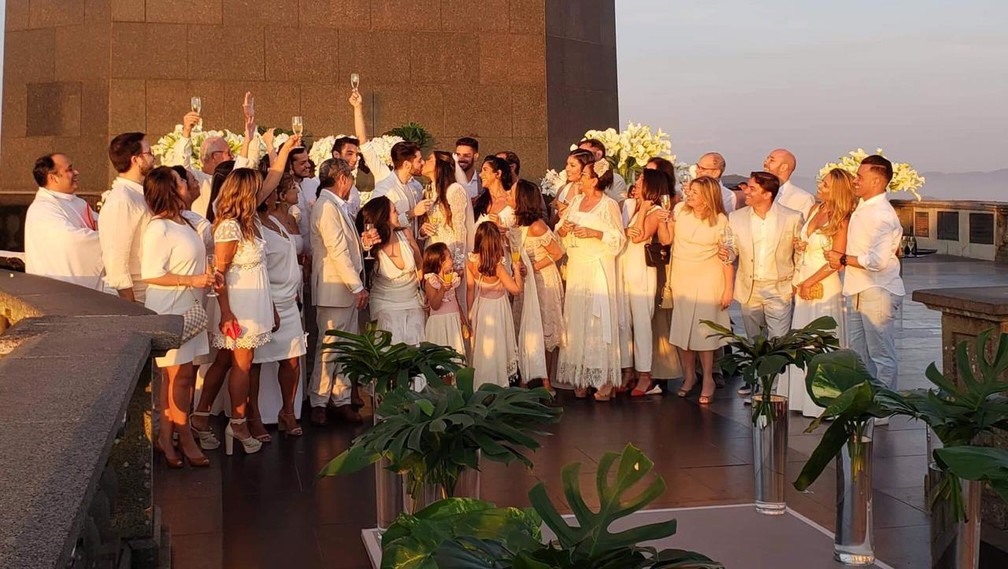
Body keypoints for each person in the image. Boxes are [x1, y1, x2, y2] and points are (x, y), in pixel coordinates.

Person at [139, 166, 215, 467]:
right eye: (181, 180)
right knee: (178, 376)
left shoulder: (183, 221)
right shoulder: (159, 228)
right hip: (172, 306)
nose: (187, 182)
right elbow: (151, 273)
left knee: (181, 376)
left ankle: (168, 435)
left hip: (190, 306)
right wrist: (191, 281)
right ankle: (181, 436)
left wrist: (205, 278)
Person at [826, 155, 905, 417]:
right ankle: (865, 402)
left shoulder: (882, 215)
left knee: (882, 353)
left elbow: (878, 261)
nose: (855, 180)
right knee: (859, 354)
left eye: (859, 177)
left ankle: (884, 407)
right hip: (858, 288)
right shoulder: (863, 207)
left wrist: (843, 259)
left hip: (878, 291)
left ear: (876, 180)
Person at [207, 168, 279, 456]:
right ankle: (237, 422)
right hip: (238, 305)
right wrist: (226, 313)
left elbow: (261, 269)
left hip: (257, 301)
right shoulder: (229, 227)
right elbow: (219, 273)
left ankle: (205, 418)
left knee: (235, 361)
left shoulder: (249, 223)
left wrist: (271, 306)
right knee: (242, 364)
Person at [720, 171, 802, 397]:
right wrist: (726, 253)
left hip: (779, 287)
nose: (746, 191)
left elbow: (800, 252)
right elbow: (731, 247)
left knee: (777, 341)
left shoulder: (792, 217)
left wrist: (795, 283)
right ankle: (756, 382)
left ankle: (774, 390)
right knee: (754, 341)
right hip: (749, 287)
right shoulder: (736, 218)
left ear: (767, 194)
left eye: (752, 188)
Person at [787, 168, 856, 417]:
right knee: (803, 339)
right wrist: (800, 245)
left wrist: (810, 282)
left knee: (821, 338)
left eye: (825, 184)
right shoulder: (816, 209)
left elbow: (836, 261)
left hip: (823, 283)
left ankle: (825, 399)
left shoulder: (842, 220)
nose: (820, 186)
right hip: (804, 276)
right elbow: (807, 242)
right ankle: (800, 396)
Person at [556, 158, 626, 401]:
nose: (580, 177)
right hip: (576, 264)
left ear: (595, 180)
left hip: (597, 265)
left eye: (584, 174)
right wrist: (564, 230)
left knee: (597, 320)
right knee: (577, 318)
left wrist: (595, 233)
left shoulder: (608, 205)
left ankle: (602, 380)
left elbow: (619, 238)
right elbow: (560, 229)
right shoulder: (575, 200)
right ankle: (580, 375)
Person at [308, 158, 371, 427]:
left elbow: (347, 246)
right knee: (330, 346)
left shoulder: (336, 206)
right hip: (335, 288)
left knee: (349, 346)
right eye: (351, 178)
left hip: (345, 287)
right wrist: (356, 286)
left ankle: (342, 397)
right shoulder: (326, 207)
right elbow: (336, 250)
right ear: (342, 178)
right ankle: (319, 401)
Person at [250, 179, 308, 437]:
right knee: (257, 362)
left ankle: (287, 411)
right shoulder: (254, 226)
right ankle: (254, 416)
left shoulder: (276, 220)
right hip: (268, 300)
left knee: (292, 359)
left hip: (289, 300)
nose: (274, 193)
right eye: (270, 190)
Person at [669, 177, 733, 404]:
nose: (690, 194)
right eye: (690, 191)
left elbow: (728, 257)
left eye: (695, 192)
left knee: (704, 332)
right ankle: (689, 376)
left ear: (708, 196)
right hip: (682, 276)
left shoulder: (720, 220)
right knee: (684, 330)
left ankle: (708, 378)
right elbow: (668, 239)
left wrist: (728, 289)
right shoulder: (680, 211)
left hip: (708, 278)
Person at [618, 169, 673, 396]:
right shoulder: (630, 206)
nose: (637, 183)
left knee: (641, 322)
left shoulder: (656, 211)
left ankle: (645, 374)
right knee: (624, 322)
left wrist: (644, 210)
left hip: (641, 269)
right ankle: (627, 369)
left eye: (641, 180)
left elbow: (638, 235)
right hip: (624, 265)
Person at [165, 92, 255, 218]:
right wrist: (186, 131)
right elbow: (181, 163)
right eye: (228, 153)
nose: (232, 157)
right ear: (214, 156)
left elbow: (241, 169)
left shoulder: (230, 178)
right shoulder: (195, 179)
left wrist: (249, 128)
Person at [514, 180, 565, 394]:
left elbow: (557, 252)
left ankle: (546, 381)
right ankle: (525, 376)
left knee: (545, 326)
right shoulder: (516, 225)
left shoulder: (537, 226)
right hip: (526, 281)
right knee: (525, 326)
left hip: (542, 280)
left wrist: (532, 266)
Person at [24, 154, 104, 290]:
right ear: (52, 177)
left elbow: (103, 223)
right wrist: (112, 240)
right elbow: (71, 240)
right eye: (69, 170)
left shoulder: (77, 202)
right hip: (59, 290)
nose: (76, 172)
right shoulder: (43, 209)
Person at [362, 196, 426, 346]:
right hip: (386, 304)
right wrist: (366, 246)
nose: (398, 213)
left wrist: (423, 289)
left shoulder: (405, 233)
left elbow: (419, 263)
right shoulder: (373, 244)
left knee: (416, 349)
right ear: (384, 217)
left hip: (412, 300)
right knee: (391, 349)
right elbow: (361, 262)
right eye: (394, 211)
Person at [99, 132, 155, 303]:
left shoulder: (140, 192)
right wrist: (130, 305)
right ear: (136, 159)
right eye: (149, 152)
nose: (153, 157)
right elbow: (115, 258)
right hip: (138, 296)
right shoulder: (122, 200)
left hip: (151, 290)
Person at [466, 222, 524, 388]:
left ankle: (481, 382)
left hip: (481, 306)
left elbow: (470, 290)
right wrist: (517, 270)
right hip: (497, 309)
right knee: (497, 345)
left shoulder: (471, 261)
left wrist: (470, 313)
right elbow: (516, 290)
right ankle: (498, 382)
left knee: (483, 347)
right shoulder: (497, 267)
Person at [420, 150, 474, 268]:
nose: (424, 162)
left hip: (449, 249)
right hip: (432, 248)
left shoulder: (454, 190)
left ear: (440, 165)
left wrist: (458, 262)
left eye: (430, 159)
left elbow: (460, 227)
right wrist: (423, 230)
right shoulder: (428, 191)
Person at [421, 242, 467, 358]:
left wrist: (463, 321)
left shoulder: (453, 278)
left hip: (453, 320)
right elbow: (435, 305)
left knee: (455, 355)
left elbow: (455, 300)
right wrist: (442, 290)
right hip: (440, 323)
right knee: (441, 357)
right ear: (441, 262)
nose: (452, 259)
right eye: (450, 257)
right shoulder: (431, 281)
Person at [373, 141, 430, 232]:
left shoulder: (416, 186)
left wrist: (422, 232)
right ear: (406, 165)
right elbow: (380, 224)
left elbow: (416, 225)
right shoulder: (384, 189)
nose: (423, 163)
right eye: (419, 160)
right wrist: (412, 213)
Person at [764, 148, 814, 219]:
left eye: (772, 160)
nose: (765, 163)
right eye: (767, 159)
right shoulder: (755, 193)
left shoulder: (803, 199)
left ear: (783, 167)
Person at [551, 149, 595, 227]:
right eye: (567, 164)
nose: (567, 169)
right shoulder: (562, 189)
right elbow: (552, 223)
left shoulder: (593, 192)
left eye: (572, 165)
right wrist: (559, 214)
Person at [578, 138, 628, 203]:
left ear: (598, 154)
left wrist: (599, 187)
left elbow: (621, 204)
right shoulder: (572, 177)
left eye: (584, 154)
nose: (580, 158)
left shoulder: (616, 180)